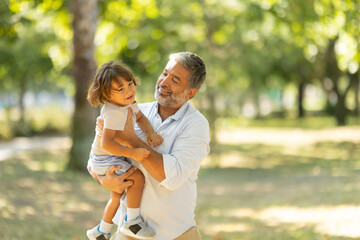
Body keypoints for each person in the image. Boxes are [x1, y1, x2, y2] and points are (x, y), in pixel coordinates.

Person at [94, 52, 210, 240]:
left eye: (175, 80)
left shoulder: (196, 124)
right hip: (127, 234)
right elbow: (99, 155)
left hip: (174, 234)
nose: (164, 82)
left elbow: (171, 178)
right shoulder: (130, 110)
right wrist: (102, 180)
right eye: (165, 73)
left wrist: (131, 139)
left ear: (190, 92)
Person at [86, 61, 163, 240]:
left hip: (104, 157)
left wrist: (150, 133)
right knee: (137, 178)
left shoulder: (127, 104)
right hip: (105, 159)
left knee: (116, 196)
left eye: (129, 84)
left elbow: (141, 118)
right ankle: (132, 221)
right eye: (120, 89)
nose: (128, 91)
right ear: (106, 94)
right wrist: (132, 153)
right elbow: (107, 144)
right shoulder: (113, 112)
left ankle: (101, 231)